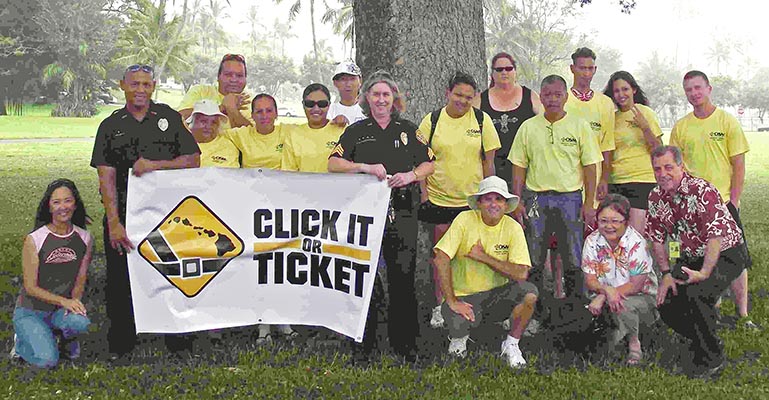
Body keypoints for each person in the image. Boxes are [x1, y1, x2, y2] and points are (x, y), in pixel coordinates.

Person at [90, 64, 200, 358]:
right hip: (124, 213)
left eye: (146, 84)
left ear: (154, 86)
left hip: (167, 215)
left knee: (172, 274)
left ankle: (178, 341)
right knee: (120, 279)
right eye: (134, 84)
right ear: (122, 85)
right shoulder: (110, 126)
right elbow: (106, 177)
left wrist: (155, 165)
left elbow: (193, 160)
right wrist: (113, 222)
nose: (140, 90)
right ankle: (122, 342)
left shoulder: (168, 118)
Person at [328, 70, 435, 361]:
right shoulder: (356, 130)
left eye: (386, 94)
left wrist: (411, 175)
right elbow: (333, 163)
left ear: (394, 98)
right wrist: (363, 167)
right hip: (366, 217)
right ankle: (365, 345)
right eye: (375, 94)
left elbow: (430, 164)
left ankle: (406, 345)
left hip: (402, 212)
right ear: (367, 99)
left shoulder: (410, 129)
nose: (381, 99)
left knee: (403, 277)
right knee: (367, 279)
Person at [647, 145, 747, 377]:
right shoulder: (655, 196)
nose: (663, 174)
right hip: (691, 256)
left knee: (697, 293)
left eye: (669, 167)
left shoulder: (701, 190)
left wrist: (704, 272)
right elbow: (656, 238)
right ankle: (703, 338)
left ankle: (712, 358)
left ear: (681, 166)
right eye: (657, 169)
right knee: (666, 301)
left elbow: (715, 236)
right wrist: (665, 274)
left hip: (726, 253)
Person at [670, 70, 753, 327]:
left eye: (697, 88)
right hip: (693, 207)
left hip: (724, 204)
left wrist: (734, 201)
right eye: (688, 90)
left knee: (736, 260)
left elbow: (738, 164)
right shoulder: (681, 127)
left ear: (708, 88)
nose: (693, 93)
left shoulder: (726, 122)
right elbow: (675, 167)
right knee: (702, 256)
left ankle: (742, 314)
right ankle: (711, 308)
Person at [418, 71, 501, 328]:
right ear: (447, 93)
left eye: (468, 97)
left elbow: (489, 162)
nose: (463, 101)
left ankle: (473, 303)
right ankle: (440, 305)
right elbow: (421, 161)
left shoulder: (481, 120)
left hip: (472, 203)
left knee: (472, 256)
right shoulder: (431, 121)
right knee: (442, 257)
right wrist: (423, 195)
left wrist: (490, 197)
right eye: (458, 95)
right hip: (440, 200)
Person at [509, 74, 603, 301]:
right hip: (535, 199)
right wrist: (517, 200)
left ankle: (575, 309)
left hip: (570, 198)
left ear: (566, 96)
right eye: (548, 95)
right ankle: (535, 309)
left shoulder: (579, 126)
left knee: (572, 256)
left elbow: (590, 167)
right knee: (534, 256)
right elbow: (519, 167)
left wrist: (589, 203)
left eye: (557, 94)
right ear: (540, 97)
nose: (552, 99)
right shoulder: (528, 127)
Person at [433, 176, 538, 368]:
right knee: (457, 323)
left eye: (498, 199)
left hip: (497, 297)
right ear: (479, 203)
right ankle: (459, 339)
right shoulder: (464, 220)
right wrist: (451, 300)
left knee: (530, 293)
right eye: (488, 199)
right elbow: (440, 258)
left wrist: (484, 257)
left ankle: (511, 344)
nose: (493, 204)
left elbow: (522, 273)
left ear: (506, 205)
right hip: (465, 298)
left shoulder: (513, 227)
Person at [11, 179, 92, 368]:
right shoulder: (35, 239)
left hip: (59, 311)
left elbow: (81, 278)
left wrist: (75, 304)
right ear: (49, 207)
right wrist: (64, 301)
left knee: (80, 323)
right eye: (56, 202)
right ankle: (21, 343)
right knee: (48, 361)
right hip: (31, 311)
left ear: (75, 203)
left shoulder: (85, 238)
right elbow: (30, 287)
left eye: (68, 201)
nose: (63, 207)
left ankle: (64, 339)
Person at [582, 194, 658, 365]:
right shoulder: (592, 241)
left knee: (622, 305)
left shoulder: (637, 243)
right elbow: (590, 280)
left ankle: (634, 344)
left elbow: (636, 285)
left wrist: (605, 295)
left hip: (641, 299)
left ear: (626, 221)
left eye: (615, 221)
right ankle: (609, 340)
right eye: (603, 221)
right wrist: (606, 291)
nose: (609, 226)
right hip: (604, 297)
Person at [601, 71, 663, 233]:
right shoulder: (611, 118)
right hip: (616, 183)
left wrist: (645, 127)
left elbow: (659, 151)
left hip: (641, 182)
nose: (621, 94)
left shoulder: (645, 113)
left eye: (625, 89)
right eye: (616, 91)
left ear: (633, 90)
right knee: (617, 236)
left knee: (637, 237)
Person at [473, 52, 542, 183]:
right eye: (499, 69)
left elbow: (545, 124)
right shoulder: (480, 100)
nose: (504, 72)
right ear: (492, 74)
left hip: (526, 170)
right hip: (490, 171)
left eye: (509, 68)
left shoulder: (530, 96)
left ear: (515, 71)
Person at [565, 47, 615, 205]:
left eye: (590, 68)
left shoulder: (605, 103)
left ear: (595, 70)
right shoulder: (561, 100)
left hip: (594, 178)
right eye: (582, 68)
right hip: (565, 179)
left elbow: (607, 146)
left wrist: (605, 179)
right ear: (572, 69)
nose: (586, 73)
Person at [281, 83, 345, 173]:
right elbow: (288, 173)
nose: (316, 109)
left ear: (329, 105)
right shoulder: (293, 135)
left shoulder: (342, 130)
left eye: (322, 104)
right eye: (310, 104)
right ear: (303, 104)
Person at [178, 54, 253, 130]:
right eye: (228, 75)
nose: (234, 80)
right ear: (218, 77)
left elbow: (255, 137)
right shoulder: (200, 91)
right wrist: (221, 108)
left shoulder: (252, 102)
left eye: (239, 75)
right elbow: (176, 120)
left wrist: (232, 110)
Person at [225, 93, 285, 170]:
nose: (264, 115)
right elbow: (211, 133)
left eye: (269, 111)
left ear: (276, 114)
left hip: (279, 179)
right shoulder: (242, 134)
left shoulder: (286, 132)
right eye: (259, 111)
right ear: (252, 115)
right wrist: (227, 107)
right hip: (249, 180)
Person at [188, 100, 240, 167]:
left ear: (218, 125)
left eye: (214, 122)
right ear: (192, 122)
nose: (208, 126)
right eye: (203, 121)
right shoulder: (180, 142)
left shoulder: (227, 146)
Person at [328, 59, 366, 126]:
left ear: (360, 81)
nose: (348, 84)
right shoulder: (329, 111)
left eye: (352, 79)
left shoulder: (369, 110)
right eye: (343, 79)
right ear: (335, 83)